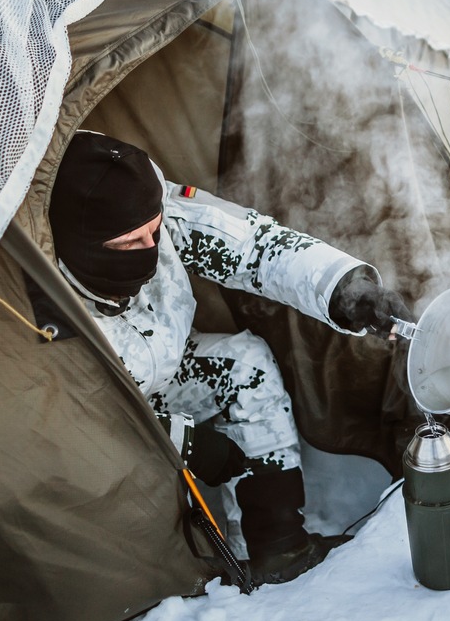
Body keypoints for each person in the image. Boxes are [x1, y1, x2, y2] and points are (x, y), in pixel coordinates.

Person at [48, 130, 409, 586]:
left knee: (243, 364)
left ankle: (278, 547)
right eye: (128, 244)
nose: (151, 251)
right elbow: (57, 419)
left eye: (154, 233)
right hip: (99, 426)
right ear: (81, 245)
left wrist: (346, 290)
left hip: (161, 370)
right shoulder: (36, 305)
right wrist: (178, 439)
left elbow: (254, 247)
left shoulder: (152, 210)